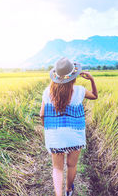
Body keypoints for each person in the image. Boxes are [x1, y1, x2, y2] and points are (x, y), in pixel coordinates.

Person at [40, 57, 98, 196]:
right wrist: (91, 79)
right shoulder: (80, 90)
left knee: (57, 169)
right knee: (71, 165)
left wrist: (48, 129)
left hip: (55, 135)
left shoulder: (47, 92)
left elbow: (42, 114)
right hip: (75, 134)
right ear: (73, 76)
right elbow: (95, 96)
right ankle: (69, 190)